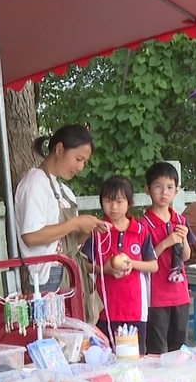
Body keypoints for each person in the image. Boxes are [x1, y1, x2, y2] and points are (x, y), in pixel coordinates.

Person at [14, 125, 107, 297]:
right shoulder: (35, 183)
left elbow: (70, 241)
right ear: (59, 149)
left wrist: (87, 230)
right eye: (78, 159)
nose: (80, 167)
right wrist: (75, 223)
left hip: (69, 269)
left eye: (84, 162)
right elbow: (31, 236)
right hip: (46, 277)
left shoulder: (65, 191)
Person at [82, 176, 158, 353]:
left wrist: (133, 264)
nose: (113, 207)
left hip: (135, 309)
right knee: (105, 357)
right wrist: (104, 270)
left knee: (133, 357)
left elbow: (153, 266)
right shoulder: (98, 231)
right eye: (108, 201)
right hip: (104, 309)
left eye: (119, 201)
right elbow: (83, 263)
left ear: (129, 202)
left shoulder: (140, 230)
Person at [141, 162, 196, 354]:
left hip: (180, 293)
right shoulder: (143, 224)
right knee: (156, 349)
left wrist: (183, 240)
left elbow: (186, 256)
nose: (164, 192)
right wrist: (167, 241)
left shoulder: (180, 220)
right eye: (158, 187)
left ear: (176, 191)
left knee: (179, 347)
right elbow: (144, 261)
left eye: (170, 188)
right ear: (147, 189)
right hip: (156, 296)